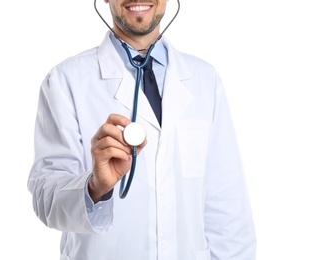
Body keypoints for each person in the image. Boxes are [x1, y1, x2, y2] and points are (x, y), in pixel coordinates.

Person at [27, 0, 256, 259]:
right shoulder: (65, 81)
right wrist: (95, 187)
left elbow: (227, 206)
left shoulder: (205, 79)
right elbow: (45, 199)